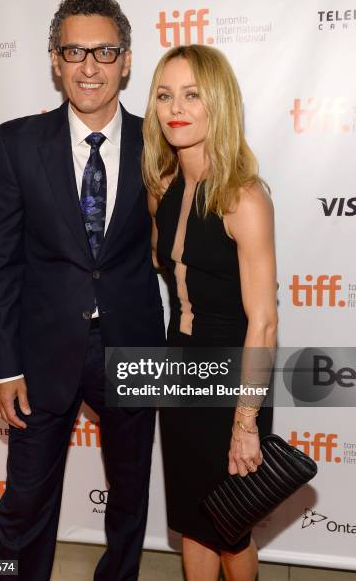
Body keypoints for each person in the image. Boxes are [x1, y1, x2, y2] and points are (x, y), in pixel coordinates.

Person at [0, 0, 165, 581]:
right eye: (75, 51)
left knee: (130, 496)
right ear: (55, 60)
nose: (90, 67)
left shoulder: (160, 142)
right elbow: (0, 263)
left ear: (127, 60)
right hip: (40, 354)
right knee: (24, 503)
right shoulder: (16, 143)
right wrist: (5, 368)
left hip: (134, 344)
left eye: (105, 51)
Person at [142, 45, 277, 581]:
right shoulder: (163, 189)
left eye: (192, 94)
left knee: (230, 528)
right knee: (192, 521)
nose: (176, 107)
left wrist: (246, 423)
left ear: (216, 103)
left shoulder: (243, 199)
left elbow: (263, 322)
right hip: (180, 372)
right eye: (164, 94)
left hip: (232, 379)